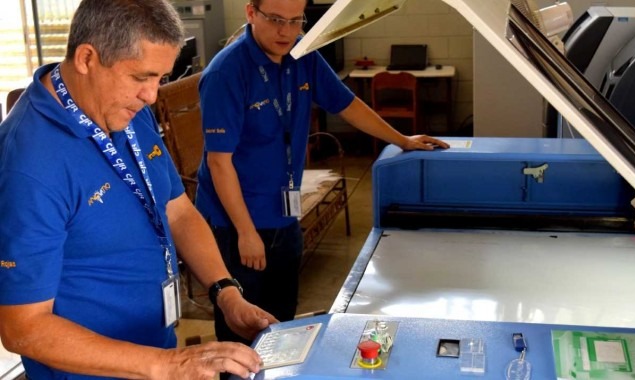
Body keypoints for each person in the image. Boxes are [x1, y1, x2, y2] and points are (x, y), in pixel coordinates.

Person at [0, 1, 278, 379]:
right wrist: (168, 365)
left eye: (160, 78)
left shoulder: (126, 109)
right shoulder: (29, 163)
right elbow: (23, 328)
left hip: (152, 354)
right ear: (86, 58)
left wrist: (225, 292)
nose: (152, 95)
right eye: (141, 78)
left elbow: (177, 209)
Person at [195, 0, 450, 358]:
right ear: (250, 13)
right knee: (241, 335)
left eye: (296, 20)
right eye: (275, 20)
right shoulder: (227, 73)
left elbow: (348, 105)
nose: (287, 31)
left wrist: (403, 140)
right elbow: (219, 162)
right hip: (236, 224)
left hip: (283, 214)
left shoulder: (303, 55)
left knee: (281, 325)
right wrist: (246, 231)